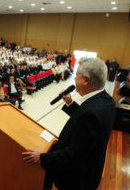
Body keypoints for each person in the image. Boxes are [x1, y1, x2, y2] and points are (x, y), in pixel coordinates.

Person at [22, 58, 116, 190]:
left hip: (77, 180)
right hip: (91, 168)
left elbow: (74, 154)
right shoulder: (107, 101)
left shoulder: (90, 113)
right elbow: (86, 122)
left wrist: (41, 158)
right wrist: (70, 103)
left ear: (86, 80)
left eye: (77, 75)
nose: (75, 78)